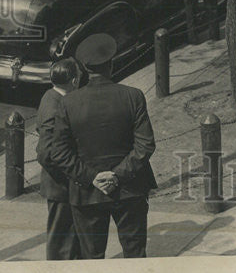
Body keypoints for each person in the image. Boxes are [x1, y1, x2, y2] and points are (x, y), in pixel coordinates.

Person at [47, 34, 156, 260]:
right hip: (130, 189)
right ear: (112, 63)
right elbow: (145, 145)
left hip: (87, 194)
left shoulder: (69, 103)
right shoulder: (133, 96)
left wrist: (92, 177)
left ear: (84, 69)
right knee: (135, 253)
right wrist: (117, 175)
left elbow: (59, 153)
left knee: (92, 257)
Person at [36, 58, 83, 261]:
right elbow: (46, 153)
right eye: (79, 76)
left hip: (61, 185)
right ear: (73, 81)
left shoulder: (50, 95)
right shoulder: (55, 106)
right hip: (61, 186)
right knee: (61, 243)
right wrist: (72, 174)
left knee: (70, 238)